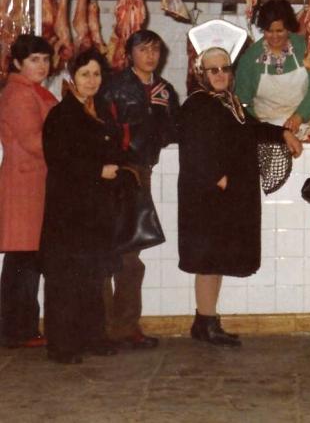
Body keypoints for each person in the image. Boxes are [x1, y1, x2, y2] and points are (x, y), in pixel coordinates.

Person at [178, 46, 302, 347]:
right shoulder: (198, 104)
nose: (221, 74)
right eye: (213, 70)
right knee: (208, 261)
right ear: (201, 74)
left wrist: (282, 133)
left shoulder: (228, 102)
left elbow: (252, 129)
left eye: (224, 68)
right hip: (210, 198)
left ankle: (204, 321)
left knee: (215, 260)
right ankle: (205, 323)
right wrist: (219, 180)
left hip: (225, 195)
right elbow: (194, 150)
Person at [39, 48, 124, 364]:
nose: (92, 80)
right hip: (68, 210)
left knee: (92, 276)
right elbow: (60, 162)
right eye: (85, 74)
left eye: (97, 74)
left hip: (95, 209)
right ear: (72, 77)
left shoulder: (99, 110)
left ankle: (93, 337)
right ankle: (62, 346)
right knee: (65, 279)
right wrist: (97, 171)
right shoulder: (62, 115)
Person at [100, 29, 180, 350]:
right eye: (144, 49)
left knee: (131, 256)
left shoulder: (165, 89)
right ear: (130, 53)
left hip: (139, 174)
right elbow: (103, 127)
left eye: (155, 50)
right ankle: (102, 327)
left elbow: (173, 130)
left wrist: (157, 118)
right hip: (110, 173)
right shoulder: (114, 86)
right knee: (107, 252)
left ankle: (125, 326)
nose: (150, 56)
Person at [0, 35, 56, 349]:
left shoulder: (34, 91)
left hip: (33, 185)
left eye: (45, 59)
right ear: (18, 63)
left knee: (26, 259)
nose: (42, 66)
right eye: (34, 59)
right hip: (25, 186)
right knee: (23, 259)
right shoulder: (19, 95)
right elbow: (36, 143)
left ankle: (21, 328)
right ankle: (16, 330)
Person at [235, 0, 310, 137]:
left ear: (289, 28)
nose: (274, 36)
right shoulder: (249, 59)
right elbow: (242, 101)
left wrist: (299, 116)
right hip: (269, 131)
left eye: (280, 31)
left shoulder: (305, 48)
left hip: (307, 125)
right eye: (269, 31)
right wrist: (260, 126)